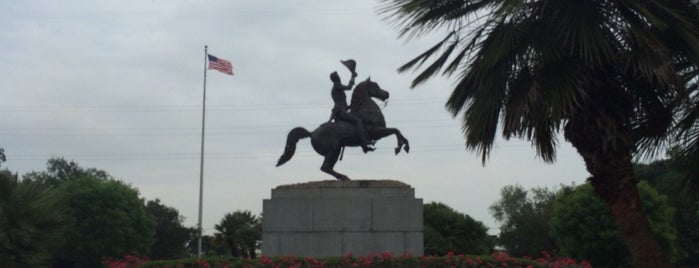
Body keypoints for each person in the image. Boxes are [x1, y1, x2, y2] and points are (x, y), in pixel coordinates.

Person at [328, 71, 374, 153]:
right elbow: (349, 87)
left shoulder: (336, 87)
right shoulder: (337, 86)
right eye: (338, 76)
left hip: (342, 109)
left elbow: (343, 103)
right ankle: (364, 142)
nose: (340, 77)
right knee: (358, 121)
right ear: (336, 78)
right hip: (340, 110)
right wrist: (352, 76)